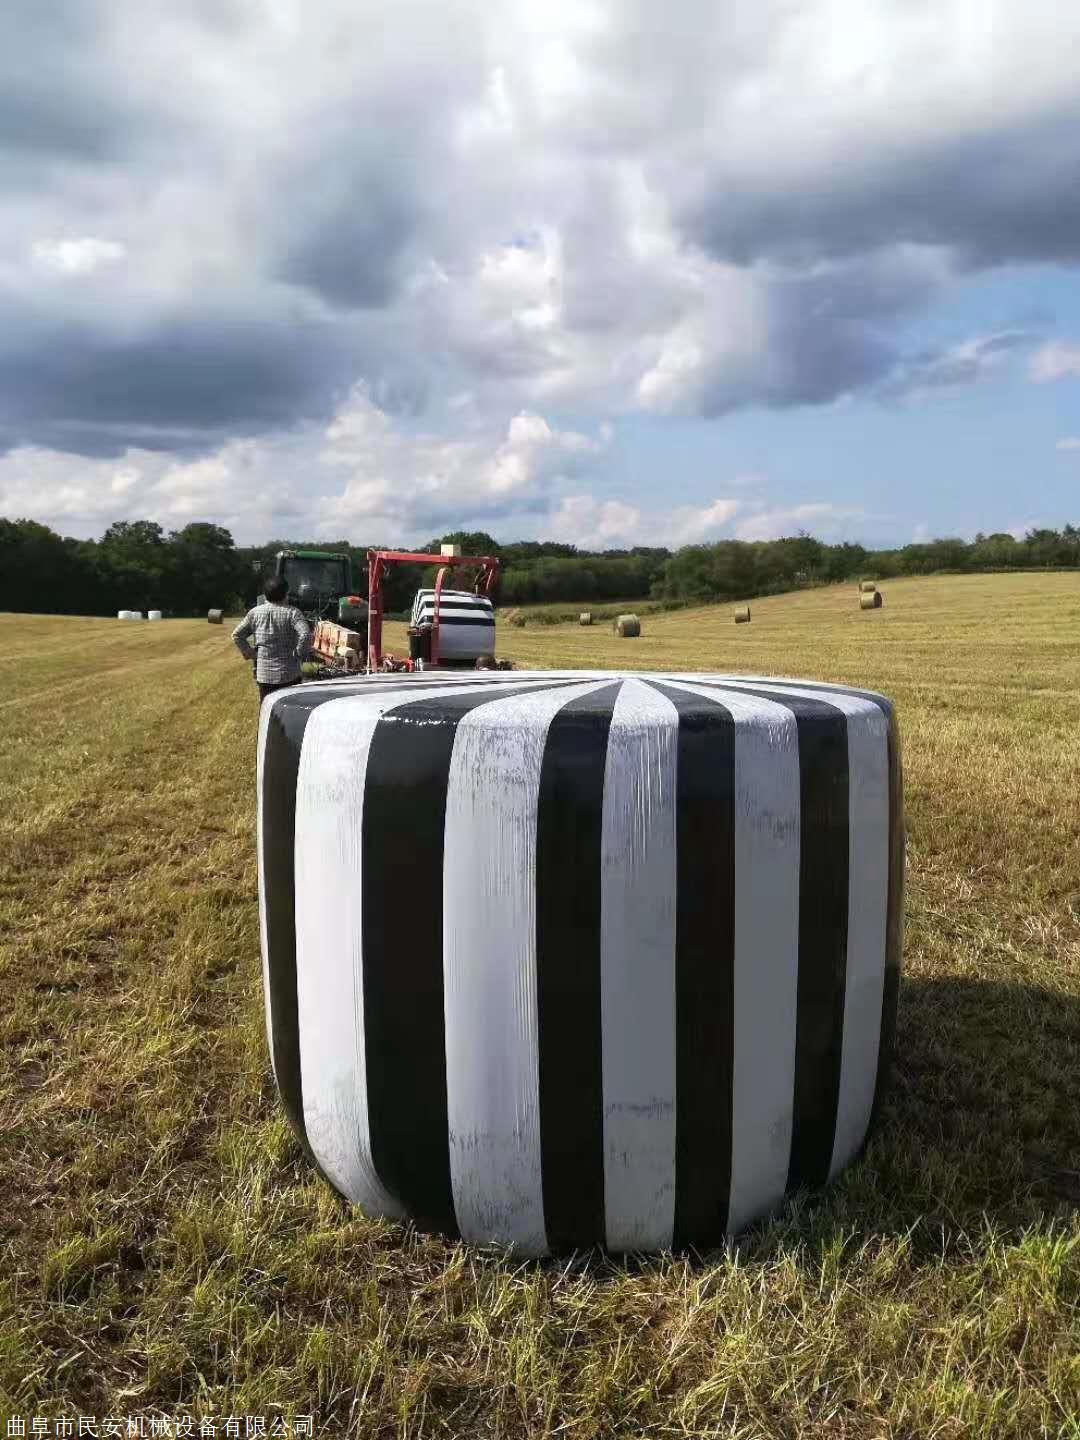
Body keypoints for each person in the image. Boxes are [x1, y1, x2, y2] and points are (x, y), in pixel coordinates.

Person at [232, 576, 312, 701]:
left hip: (264, 676)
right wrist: (298, 653)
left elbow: (237, 635)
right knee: (290, 709)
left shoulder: (254, 613)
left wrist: (250, 653)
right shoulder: (293, 613)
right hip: (289, 675)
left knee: (267, 708)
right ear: (286, 594)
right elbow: (306, 634)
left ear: (265, 595)